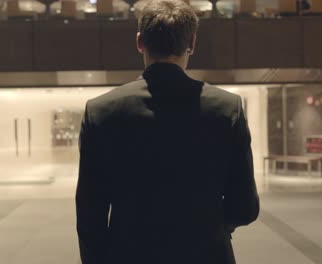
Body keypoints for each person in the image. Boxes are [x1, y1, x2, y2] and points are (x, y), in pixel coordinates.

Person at [75, 0, 259, 263]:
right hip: (207, 254)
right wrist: (210, 225)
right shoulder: (227, 108)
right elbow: (245, 207)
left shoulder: (101, 111)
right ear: (192, 43)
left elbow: (89, 215)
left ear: (140, 42)